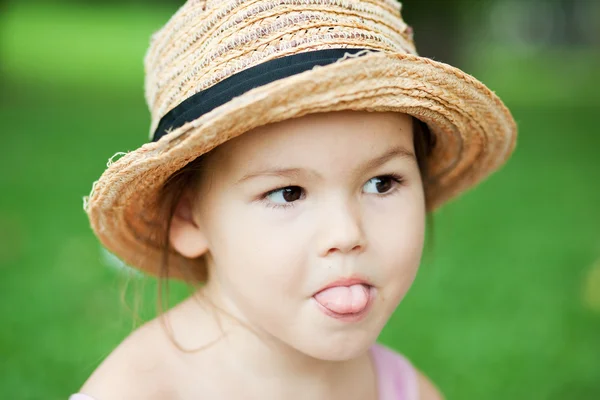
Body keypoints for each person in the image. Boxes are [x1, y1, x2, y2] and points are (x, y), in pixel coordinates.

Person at [72, 0, 517, 399]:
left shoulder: (402, 390)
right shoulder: (138, 390)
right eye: (289, 193)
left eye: (381, 183)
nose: (347, 234)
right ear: (190, 218)